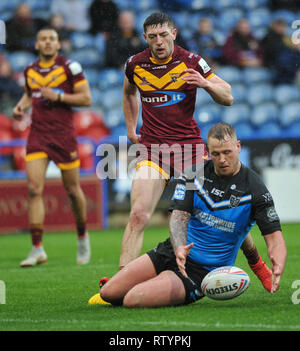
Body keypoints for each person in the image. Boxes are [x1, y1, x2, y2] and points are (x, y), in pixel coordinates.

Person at [89, 13, 271, 304]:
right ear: (145, 37)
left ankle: (254, 260)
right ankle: (118, 283)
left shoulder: (192, 62)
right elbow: (128, 92)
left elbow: (229, 97)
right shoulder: (135, 64)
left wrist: (205, 84)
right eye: (152, 37)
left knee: (219, 213)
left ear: (173, 33)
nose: (159, 42)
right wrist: (129, 127)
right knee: (137, 214)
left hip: (189, 150)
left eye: (163, 35)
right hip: (152, 150)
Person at [98, 123, 287, 308]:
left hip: (203, 271)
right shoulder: (193, 174)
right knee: (108, 293)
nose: (222, 159)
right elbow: (179, 216)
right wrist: (179, 246)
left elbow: (274, 237)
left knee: (133, 299)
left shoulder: (256, 190)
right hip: (173, 251)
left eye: (227, 152)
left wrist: (277, 260)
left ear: (238, 146)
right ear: (208, 151)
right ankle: (158, 281)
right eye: (216, 154)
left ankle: (166, 284)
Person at [12, 27, 92, 267]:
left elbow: (86, 99)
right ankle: (37, 249)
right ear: (37, 45)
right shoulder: (30, 70)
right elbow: (30, 95)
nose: (48, 42)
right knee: (34, 189)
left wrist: (59, 97)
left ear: (58, 44)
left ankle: (82, 235)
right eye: (43, 39)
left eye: (52, 39)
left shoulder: (70, 67)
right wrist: (20, 107)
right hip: (37, 135)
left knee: (72, 190)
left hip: (63, 136)